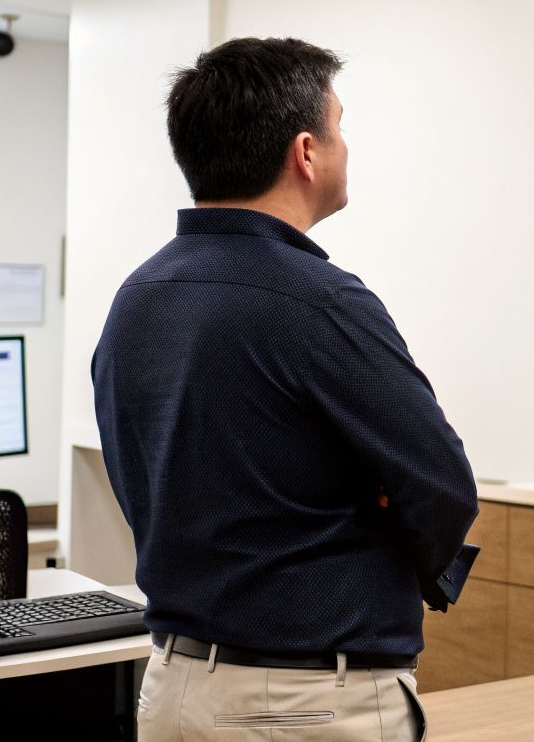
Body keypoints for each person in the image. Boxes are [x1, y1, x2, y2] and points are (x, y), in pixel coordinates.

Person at [93, 37, 477, 741]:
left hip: (171, 692)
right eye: (340, 125)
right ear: (307, 151)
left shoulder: (137, 297)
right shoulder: (321, 301)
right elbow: (443, 487)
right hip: (304, 705)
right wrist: (379, 531)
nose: (346, 146)